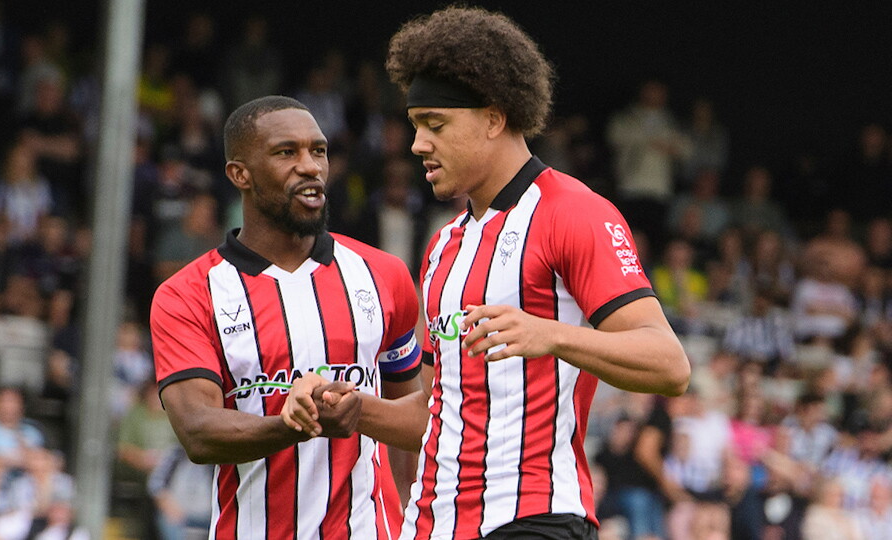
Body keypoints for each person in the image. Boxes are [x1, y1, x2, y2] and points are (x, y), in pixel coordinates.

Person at [285, 7, 690, 539]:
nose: (417, 144)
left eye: (436, 124)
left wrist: (551, 335)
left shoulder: (572, 212)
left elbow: (669, 365)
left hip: (532, 519)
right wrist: (355, 409)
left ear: (495, 118)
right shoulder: (442, 247)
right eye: (414, 126)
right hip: (430, 526)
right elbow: (436, 409)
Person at [150, 95, 427, 540]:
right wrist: (294, 423)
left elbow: (413, 423)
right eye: (286, 152)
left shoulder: (385, 276)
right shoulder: (187, 294)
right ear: (240, 174)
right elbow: (198, 432)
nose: (310, 166)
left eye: (318, 151)